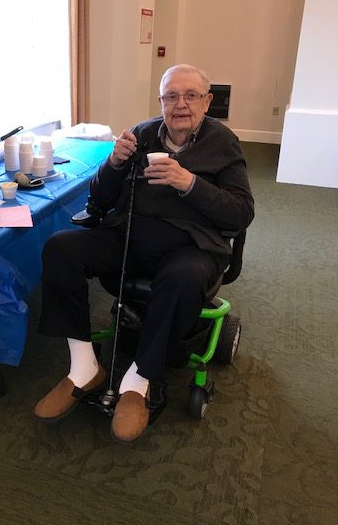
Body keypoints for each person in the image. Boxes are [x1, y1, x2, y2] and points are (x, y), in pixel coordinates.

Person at [34, 64, 254, 442]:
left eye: (191, 96)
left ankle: (138, 380)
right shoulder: (142, 135)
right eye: (172, 96)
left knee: (182, 278)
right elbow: (99, 198)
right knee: (60, 248)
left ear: (207, 102)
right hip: (129, 237)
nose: (181, 104)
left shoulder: (223, 143)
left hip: (191, 246)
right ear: (160, 101)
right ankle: (84, 367)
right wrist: (114, 163)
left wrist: (190, 183)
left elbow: (241, 212)